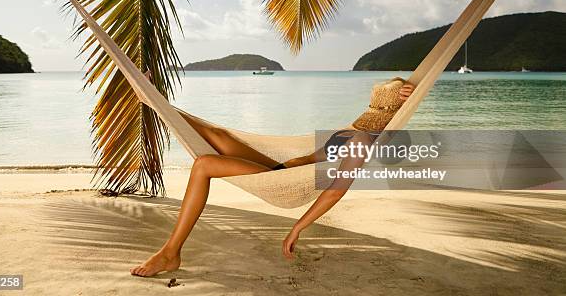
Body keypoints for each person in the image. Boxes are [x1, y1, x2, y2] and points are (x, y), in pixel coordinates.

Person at [130, 77, 415, 277]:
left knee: (204, 164)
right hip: (279, 168)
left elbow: (334, 192)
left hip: (284, 183)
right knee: (218, 135)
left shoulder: (362, 141)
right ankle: (154, 101)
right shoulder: (354, 129)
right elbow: (313, 156)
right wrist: (402, 86)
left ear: (383, 110)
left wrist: (297, 228)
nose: (372, 106)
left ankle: (170, 253)